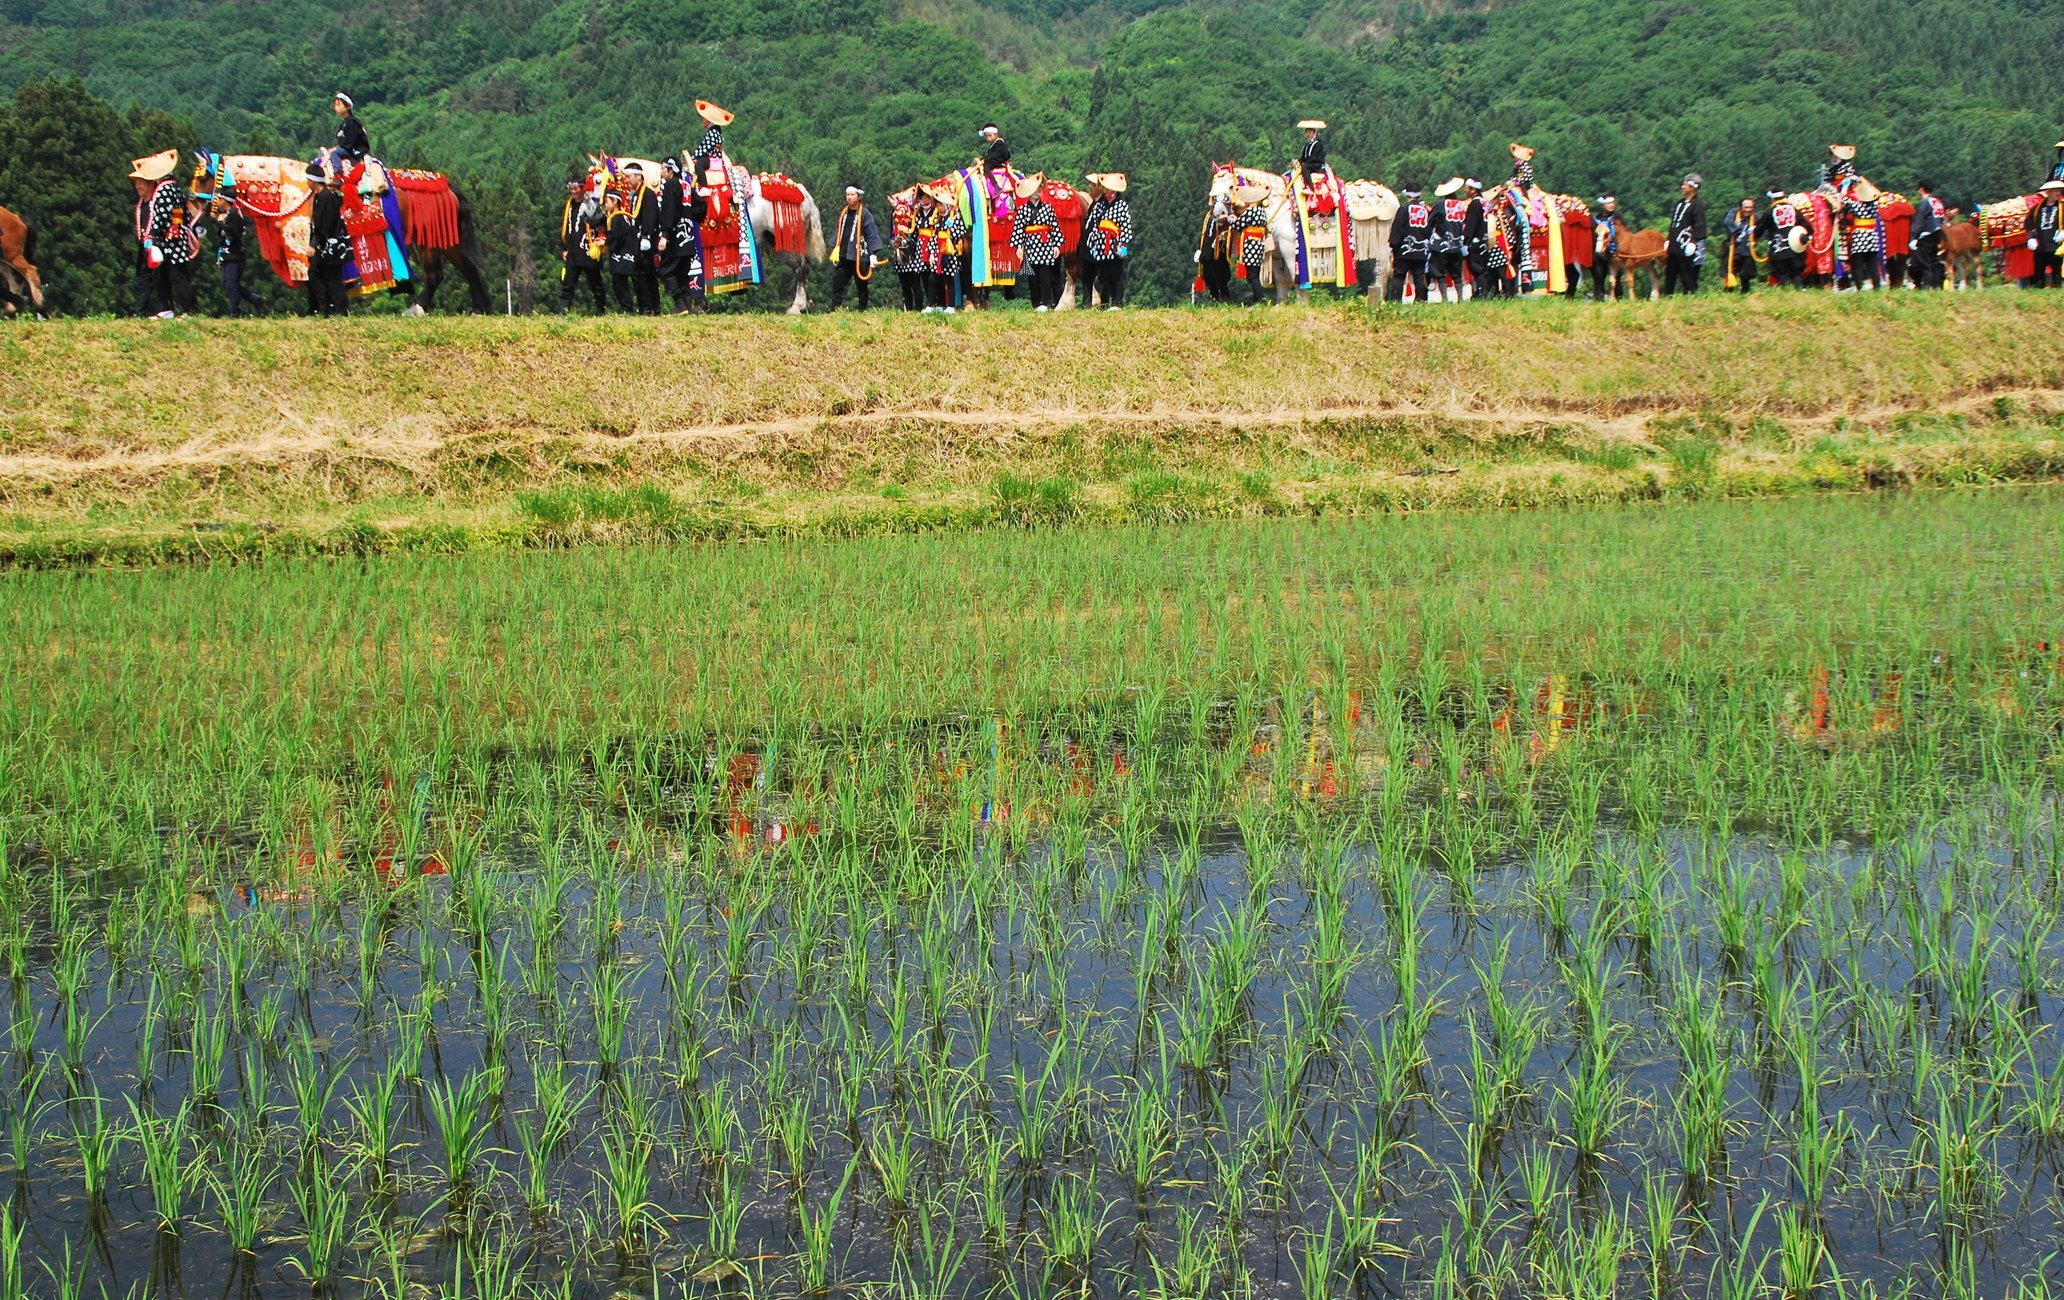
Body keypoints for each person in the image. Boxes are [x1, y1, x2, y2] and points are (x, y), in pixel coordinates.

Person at [130, 149, 198, 318]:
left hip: (170, 239)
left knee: (177, 276)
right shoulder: (172, 188)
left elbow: (160, 215)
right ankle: (167, 309)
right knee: (161, 275)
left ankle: (190, 310)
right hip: (170, 238)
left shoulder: (165, 189)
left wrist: (151, 234)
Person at [657, 162, 708, 314]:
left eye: (663, 169)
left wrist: (664, 234)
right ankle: (687, 307)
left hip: (676, 236)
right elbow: (701, 206)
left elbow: (668, 210)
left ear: (670, 170)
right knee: (682, 273)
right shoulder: (686, 185)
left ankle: (680, 303)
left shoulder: (671, 185)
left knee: (665, 270)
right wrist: (689, 215)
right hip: (688, 235)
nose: (661, 172)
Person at [1010, 175, 1065, 310]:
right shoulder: (1023, 210)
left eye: (1040, 188)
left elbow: (1054, 227)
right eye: (1036, 188)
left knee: (1045, 274)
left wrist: (1056, 245)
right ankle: (1036, 302)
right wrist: (1018, 247)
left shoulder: (1048, 208)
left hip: (1045, 244)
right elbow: (1018, 229)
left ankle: (1045, 302)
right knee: (1032, 276)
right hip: (1030, 244)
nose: (1039, 190)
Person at [828, 185, 884, 311]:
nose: (849, 198)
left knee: (861, 285)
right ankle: (835, 309)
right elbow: (838, 231)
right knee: (838, 283)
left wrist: (873, 254)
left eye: (852, 195)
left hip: (860, 255)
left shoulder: (865, 214)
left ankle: (862, 309)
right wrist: (835, 249)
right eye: (847, 195)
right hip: (844, 255)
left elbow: (871, 234)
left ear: (859, 196)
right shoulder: (844, 213)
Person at [306, 162, 350, 317]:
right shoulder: (321, 196)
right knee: (324, 274)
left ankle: (338, 308)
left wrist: (314, 244)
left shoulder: (325, 197)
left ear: (312, 180)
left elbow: (325, 223)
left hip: (330, 243)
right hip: (325, 243)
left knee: (328, 276)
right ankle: (330, 308)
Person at [1082, 173, 1133, 309]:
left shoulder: (1121, 205)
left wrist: (1123, 244)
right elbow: (1096, 224)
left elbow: (1125, 226)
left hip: (1115, 240)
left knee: (1116, 273)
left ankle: (1117, 302)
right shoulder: (1100, 205)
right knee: (1104, 274)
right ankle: (1104, 302)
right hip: (1101, 242)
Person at [616, 162, 660, 314]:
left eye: (629, 177)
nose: (627, 180)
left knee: (644, 274)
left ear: (638, 176)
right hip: (636, 241)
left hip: (644, 240)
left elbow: (650, 216)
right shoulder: (634, 195)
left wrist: (647, 236)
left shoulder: (647, 194)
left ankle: (649, 307)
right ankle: (647, 306)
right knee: (639, 275)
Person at [559, 177, 608, 314]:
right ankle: (563, 310)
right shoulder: (570, 205)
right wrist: (565, 247)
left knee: (595, 283)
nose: (573, 191)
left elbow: (601, 225)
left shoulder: (591, 203)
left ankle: (601, 310)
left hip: (587, 249)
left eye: (576, 188)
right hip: (573, 250)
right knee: (568, 283)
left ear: (582, 188)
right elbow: (566, 227)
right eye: (571, 188)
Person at [917, 185, 964, 313]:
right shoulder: (938, 219)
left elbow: (960, 233)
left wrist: (951, 228)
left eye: (940, 205)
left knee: (949, 279)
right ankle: (932, 305)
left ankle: (951, 306)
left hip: (949, 251)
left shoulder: (954, 217)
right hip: (937, 249)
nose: (938, 208)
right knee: (933, 278)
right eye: (937, 205)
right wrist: (932, 252)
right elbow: (934, 235)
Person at [1389, 184, 1435, 304]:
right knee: (1419, 276)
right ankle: (1421, 299)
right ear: (1420, 195)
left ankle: (1395, 300)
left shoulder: (1404, 209)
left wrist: (1393, 245)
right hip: (1421, 250)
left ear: (1406, 194)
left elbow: (1398, 228)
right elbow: (1429, 230)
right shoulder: (1425, 210)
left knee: (1399, 275)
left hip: (1404, 250)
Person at [216, 202, 264, 317]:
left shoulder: (233, 213)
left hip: (235, 254)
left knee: (231, 283)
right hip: (226, 254)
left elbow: (236, 233)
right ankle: (256, 299)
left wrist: (222, 223)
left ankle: (235, 311)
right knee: (227, 282)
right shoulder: (225, 214)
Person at [1663, 173, 1706, 296]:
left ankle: (1690, 294)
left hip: (1686, 244)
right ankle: (1667, 295)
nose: (1682, 187)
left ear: (1692, 187)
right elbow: (1674, 223)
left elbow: (1699, 225)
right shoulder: (1680, 203)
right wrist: (1668, 238)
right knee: (1670, 272)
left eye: (1685, 184)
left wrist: (1693, 241)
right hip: (1674, 243)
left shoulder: (1698, 205)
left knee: (1686, 272)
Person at [1430, 177, 1470, 303]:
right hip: (1457, 244)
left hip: (1441, 244)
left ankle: (1445, 298)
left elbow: (1430, 221)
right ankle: (1460, 297)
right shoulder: (1461, 205)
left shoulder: (1439, 205)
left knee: (1440, 272)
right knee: (1457, 274)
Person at [1840, 179, 1885, 290]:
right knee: (1873, 264)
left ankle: (1859, 286)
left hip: (1860, 236)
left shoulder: (1857, 206)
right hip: (1872, 236)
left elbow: (1844, 198)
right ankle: (1877, 286)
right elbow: (1878, 194)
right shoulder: (1875, 206)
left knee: (1857, 264)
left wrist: (1845, 185)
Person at [1196, 192, 1236, 304]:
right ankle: (1214, 297)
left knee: (1221, 276)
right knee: (1208, 276)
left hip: (1219, 252)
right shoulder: (1208, 216)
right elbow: (1204, 233)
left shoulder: (1230, 217)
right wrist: (1199, 248)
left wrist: (1226, 218)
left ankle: (1225, 298)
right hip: (1206, 250)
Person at [605, 192, 642, 312]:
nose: (605, 204)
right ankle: (629, 308)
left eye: (607, 201)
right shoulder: (623, 217)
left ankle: (628, 309)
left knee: (620, 284)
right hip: (627, 254)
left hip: (621, 255)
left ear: (614, 202)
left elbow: (617, 236)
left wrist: (606, 242)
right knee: (623, 283)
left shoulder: (618, 217)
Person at [2024, 180, 2064, 289]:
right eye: (2055, 191)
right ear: (2049, 192)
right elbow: (2028, 223)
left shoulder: (2062, 206)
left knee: (2056, 269)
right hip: (2041, 244)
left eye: (2059, 191)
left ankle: (2057, 289)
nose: (2058, 193)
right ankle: (2036, 290)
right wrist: (2031, 237)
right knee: (2038, 269)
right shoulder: (2037, 208)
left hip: (2056, 244)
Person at [891, 192, 926, 312]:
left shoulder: (914, 219)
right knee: (904, 285)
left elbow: (916, 235)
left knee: (915, 283)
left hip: (912, 254)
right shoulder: (896, 227)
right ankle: (909, 308)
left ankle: (918, 308)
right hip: (900, 254)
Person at [1909, 179, 1946, 290]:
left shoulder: (1924, 203)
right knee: (1934, 261)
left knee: (1924, 262)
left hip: (1925, 235)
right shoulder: (1938, 202)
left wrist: (1913, 237)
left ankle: (1927, 285)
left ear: (1921, 189)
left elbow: (1919, 221)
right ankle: (1937, 285)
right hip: (1937, 233)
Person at [691, 100, 733, 183]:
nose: (703, 121)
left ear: (708, 121)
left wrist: (695, 156)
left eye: (704, 119)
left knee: (698, 166)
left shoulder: (713, 132)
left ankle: (704, 186)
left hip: (712, 157)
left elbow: (706, 148)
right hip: (713, 156)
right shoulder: (715, 131)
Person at [1721, 197, 1756, 293]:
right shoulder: (1733, 214)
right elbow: (1727, 223)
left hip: (1747, 250)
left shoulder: (1755, 217)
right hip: (1733, 249)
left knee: (1746, 276)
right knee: (1731, 274)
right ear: (1740, 207)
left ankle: (1745, 292)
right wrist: (1739, 230)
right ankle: (1728, 293)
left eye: (1751, 207)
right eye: (1746, 207)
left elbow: (1763, 227)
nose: (1748, 210)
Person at [1588, 195, 1620, 300]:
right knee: (1599, 272)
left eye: (1612, 203)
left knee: (1617, 274)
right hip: (1601, 249)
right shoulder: (1597, 218)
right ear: (1603, 205)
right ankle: (1599, 294)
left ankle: (1617, 295)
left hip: (1614, 249)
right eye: (1608, 203)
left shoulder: (1617, 218)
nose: (1611, 205)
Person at [330, 94, 369, 176]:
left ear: (347, 107)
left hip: (353, 150)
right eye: (335, 106)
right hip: (347, 148)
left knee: (334, 154)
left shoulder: (352, 122)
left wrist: (337, 148)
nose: (336, 108)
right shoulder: (344, 123)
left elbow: (350, 142)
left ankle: (337, 174)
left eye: (338, 105)